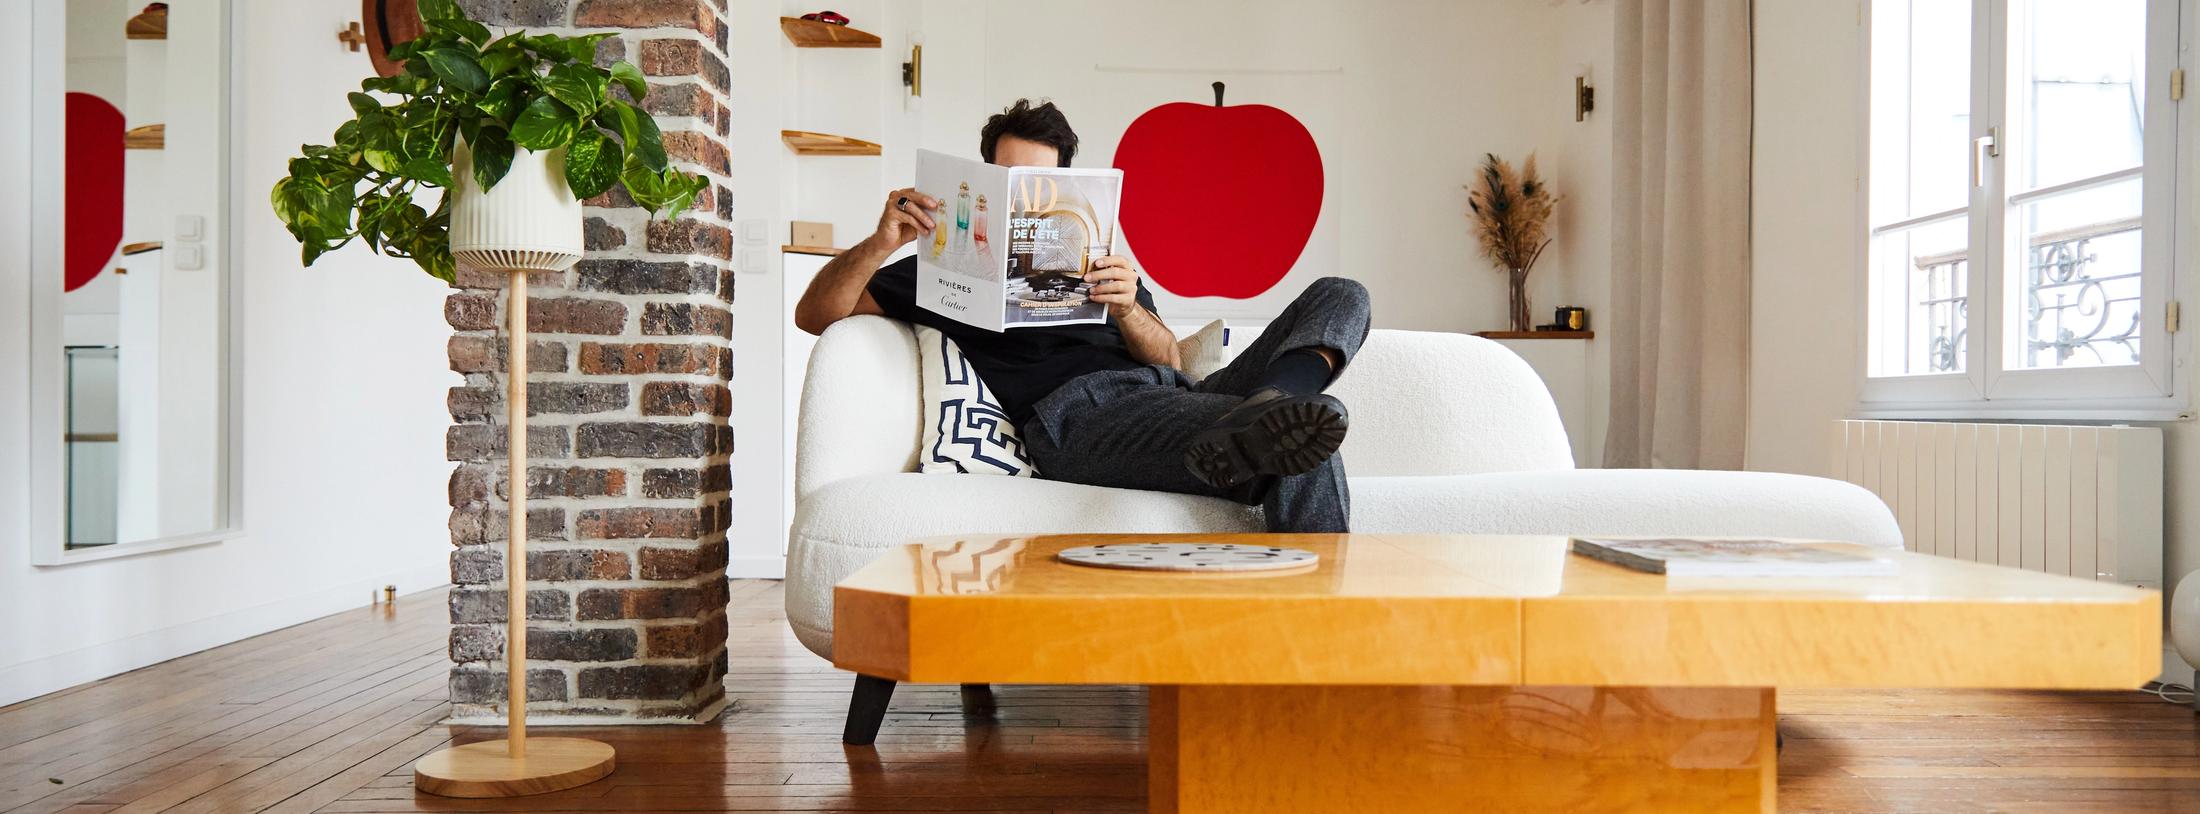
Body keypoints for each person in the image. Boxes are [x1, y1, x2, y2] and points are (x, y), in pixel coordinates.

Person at [793, 99, 1370, 532]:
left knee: (1341, 294)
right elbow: (815, 313)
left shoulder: (1097, 249)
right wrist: (880, 241)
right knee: (1305, 443)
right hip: (1076, 418)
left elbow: (1169, 359)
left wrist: (1125, 307)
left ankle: (1271, 404)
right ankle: (1328, 657)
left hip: (1175, 394)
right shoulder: (941, 269)